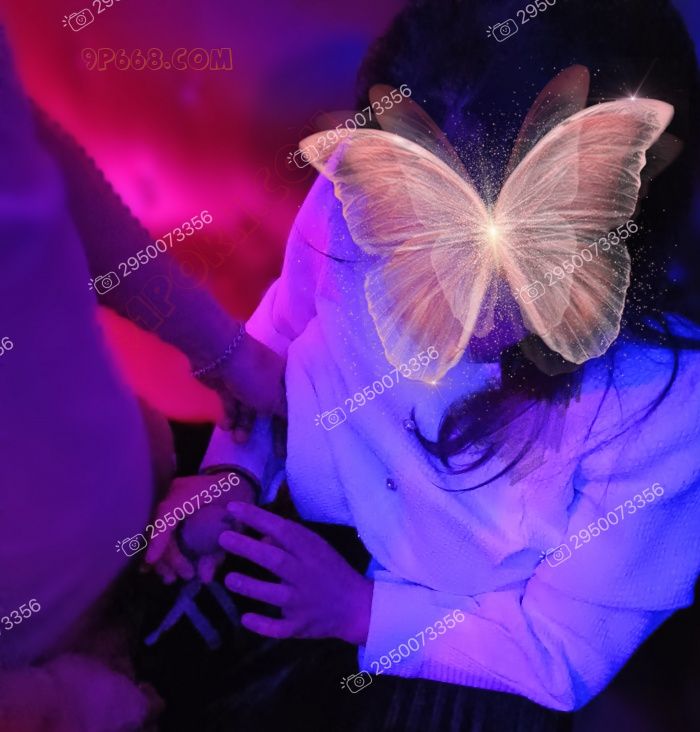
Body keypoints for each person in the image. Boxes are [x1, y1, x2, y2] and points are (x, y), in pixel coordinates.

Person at [150, 0, 698, 728]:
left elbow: (564, 648)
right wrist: (235, 471)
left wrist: (361, 612)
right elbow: (285, 330)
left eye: (522, 255)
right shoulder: (357, 193)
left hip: (470, 647)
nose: (460, 293)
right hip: (304, 532)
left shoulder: (660, 403)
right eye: (421, 231)